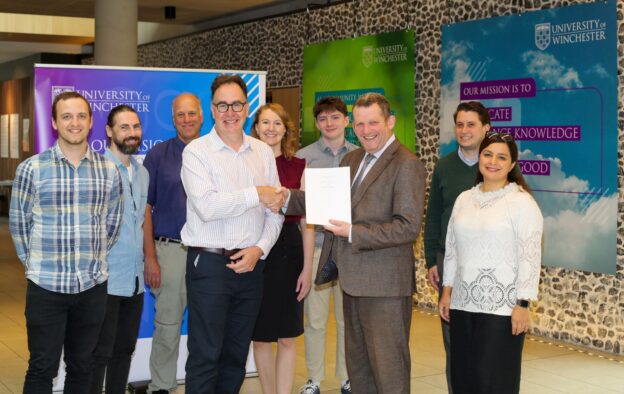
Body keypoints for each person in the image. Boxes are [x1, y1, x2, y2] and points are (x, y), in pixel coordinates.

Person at [286, 93, 426, 393]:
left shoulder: (407, 164)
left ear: (390, 122)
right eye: (360, 124)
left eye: (373, 122)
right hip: (352, 281)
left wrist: (352, 232)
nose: (366, 130)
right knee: (359, 367)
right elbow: (327, 203)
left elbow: (407, 227)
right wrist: (285, 198)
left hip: (385, 286)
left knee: (389, 370)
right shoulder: (353, 158)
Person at [9, 91, 123, 393]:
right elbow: (20, 227)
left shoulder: (108, 170)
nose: (75, 123)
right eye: (67, 116)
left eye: (81, 116)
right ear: (54, 122)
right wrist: (38, 265)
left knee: (83, 365)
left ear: (91, 121)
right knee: (41, 367)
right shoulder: (31, 169)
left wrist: (90, 261)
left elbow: (112, 224)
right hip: (46, 287)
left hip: (92, 288)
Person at [180, 75, 284, 394]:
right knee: (205, 356)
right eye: (223, 105)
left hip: (252, 265)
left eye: (237, 104)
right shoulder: (197, 152)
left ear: (247, 106)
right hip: (210, 266)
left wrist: (260, 249)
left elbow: (276, 210)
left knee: (235, 358)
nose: (230, 111)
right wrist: (257, 193)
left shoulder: (263, 152)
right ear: (212, 109)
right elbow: (208, 206)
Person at [438, 132, 543, 394]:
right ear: (480, 159)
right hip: (463, 304)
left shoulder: (522, 203)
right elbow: (452, 248)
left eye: (501, 157)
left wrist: (522, 304)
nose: (493, 161)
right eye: (487, 154)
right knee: (463, 376)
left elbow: (530, 256)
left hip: (502, 310)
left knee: (494, 381)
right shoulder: (464, 199)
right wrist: (447, 290)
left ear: (512, 165)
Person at [423, 101, 490, 393]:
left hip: (489, 265)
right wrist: (431, 259)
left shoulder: (496, 165)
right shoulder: (444, 166)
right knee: (454, 340)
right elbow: (434, 215)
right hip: (449, 261)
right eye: (460, 125)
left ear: (486, 128)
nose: (464, 131)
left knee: (486, 340)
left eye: (471, 124)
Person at [250, 103, 313, 394]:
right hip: (255, 252)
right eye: (265, 123)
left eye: (277, 123)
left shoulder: (299, 166)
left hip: (289, 253)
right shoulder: (245, 164)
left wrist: (307, 268)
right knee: (261, 336)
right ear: (256, 127)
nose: (271, 129)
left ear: (286, 129)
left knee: (288, 336)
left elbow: (307, 222)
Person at [143, 93, 202, 394]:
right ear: (173, 117)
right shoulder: (158, 155)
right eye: (181, 114)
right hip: (171, 251)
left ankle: (201, 386)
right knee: (167, 326)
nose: (187, 119)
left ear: (201, 115)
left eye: (192, 113)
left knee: (207, 327)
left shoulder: (215, 152)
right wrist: (150, 257)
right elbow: (145, 207)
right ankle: (161, 387)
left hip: (210, 254)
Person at [296, 97, 356, 394]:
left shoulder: (361, 156)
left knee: (348, 320)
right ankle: (314, 379)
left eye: (335, 117)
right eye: (323, 119)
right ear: (316, 123)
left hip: (349, 247)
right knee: (315, 320)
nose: (329, 124)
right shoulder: (303, 157)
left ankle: (346, 377)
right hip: (316, 246)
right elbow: (300, 209)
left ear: (347, 121)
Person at [88, 105, 149, 394]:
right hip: (105, 279)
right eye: (124, 127)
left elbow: (141, 222)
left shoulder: (142, 172)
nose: (132, 133)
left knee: (125, 348)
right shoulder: (96, 171)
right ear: (109, 132)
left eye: (135, 126)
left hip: (134, 280)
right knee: (100, 352)